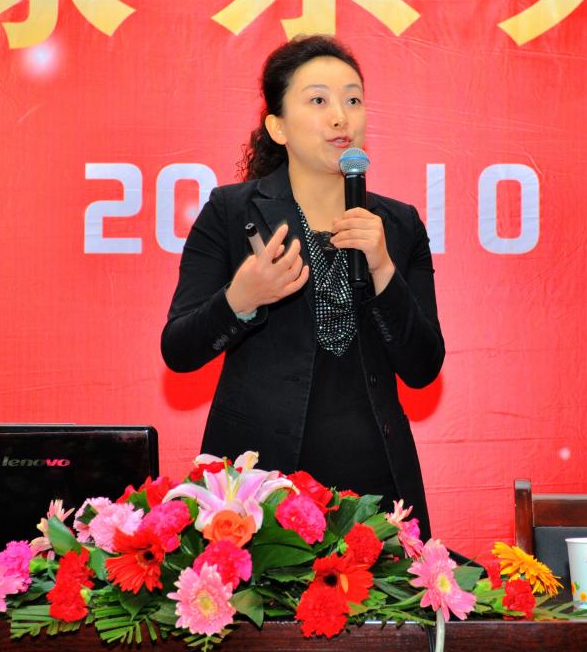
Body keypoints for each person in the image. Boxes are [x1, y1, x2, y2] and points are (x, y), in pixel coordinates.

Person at [160, 35, 444, 536]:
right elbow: (179, 350)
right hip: (258, 488)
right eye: (318, 100)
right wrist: (241, 299)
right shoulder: (230, 213)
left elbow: (423, 368)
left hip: (374, 487)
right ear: (278, 127)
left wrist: (382, 268)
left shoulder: (398, 225)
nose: (341, 117)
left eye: (353, 100)